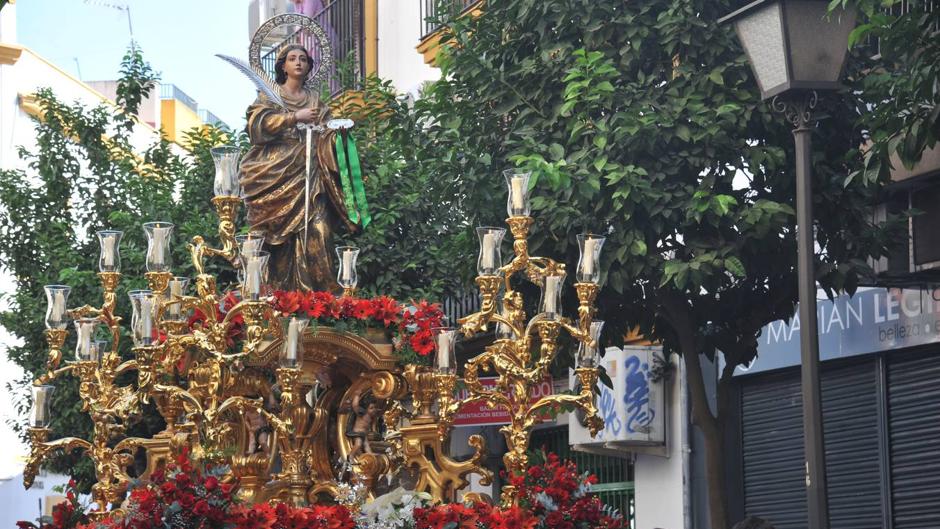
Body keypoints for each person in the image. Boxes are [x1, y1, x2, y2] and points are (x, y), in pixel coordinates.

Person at [240, 44, 358, 291]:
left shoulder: (316, 102)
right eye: (292, 58)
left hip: (310, 174)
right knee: (278, 244)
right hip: (275, 170)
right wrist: (294, 117)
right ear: (283, 65)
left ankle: (322, 299)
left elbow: (327, 134)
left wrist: (338, 134)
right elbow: (257, 127)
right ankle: (282, 297)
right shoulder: (269, 96)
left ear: (308, 67)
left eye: (303, 59)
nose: (298, 63)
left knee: (320, 231)